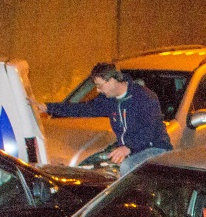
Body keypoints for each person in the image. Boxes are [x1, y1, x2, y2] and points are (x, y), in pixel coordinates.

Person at [38, 62, 172, 176]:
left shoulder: (143, 97)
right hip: (132, 150)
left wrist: (128, 147)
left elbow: (150, 130)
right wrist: (48, 107)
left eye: (100, 85)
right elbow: (83, 109)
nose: (98, 90)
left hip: (155, 148)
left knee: (127, 167)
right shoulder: (109, 100)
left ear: (112, 81)